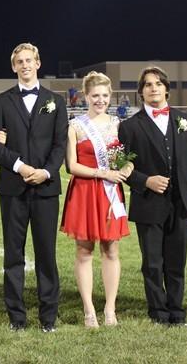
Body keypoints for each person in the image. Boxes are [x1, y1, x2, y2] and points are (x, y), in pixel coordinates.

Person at [0, 43, 67, 332]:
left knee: (47, 254)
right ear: (13, 67)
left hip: (46, 189)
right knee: (13, 255)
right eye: (19, 61)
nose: (25, 65)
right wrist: (20, 166)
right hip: (13, 187)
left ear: (38, 62)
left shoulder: (56, 101)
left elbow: (60, 144)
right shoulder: (2, 101)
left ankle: (48, 318)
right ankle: (16, 318)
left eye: (29, 60)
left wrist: (45, 171)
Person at [119, 66, 187, 325]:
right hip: (149, 203)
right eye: (147, 84)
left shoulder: (184, 120)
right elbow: (121, 169)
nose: (153, 88)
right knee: (153, 262)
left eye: (157, 83)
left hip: (181, 203)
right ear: (141, 92)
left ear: (166, 88)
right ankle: (158, 311)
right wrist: (146, 181)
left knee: (177, 261)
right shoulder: (129, 126)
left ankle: (177, 311)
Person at [60, 72, 130, 327]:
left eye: (104, 96)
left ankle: (110, 308)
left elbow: (129, 158)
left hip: (110, 193)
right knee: (84, 251)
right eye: (95, 96)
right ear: (86, 96)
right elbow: (72, 165)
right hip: (85, 191)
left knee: (111, 249)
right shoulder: (76, 126)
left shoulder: (118, 124)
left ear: (110, 97)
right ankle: (89, 309)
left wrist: (126, 170)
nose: (100, 100)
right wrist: (103, 172)